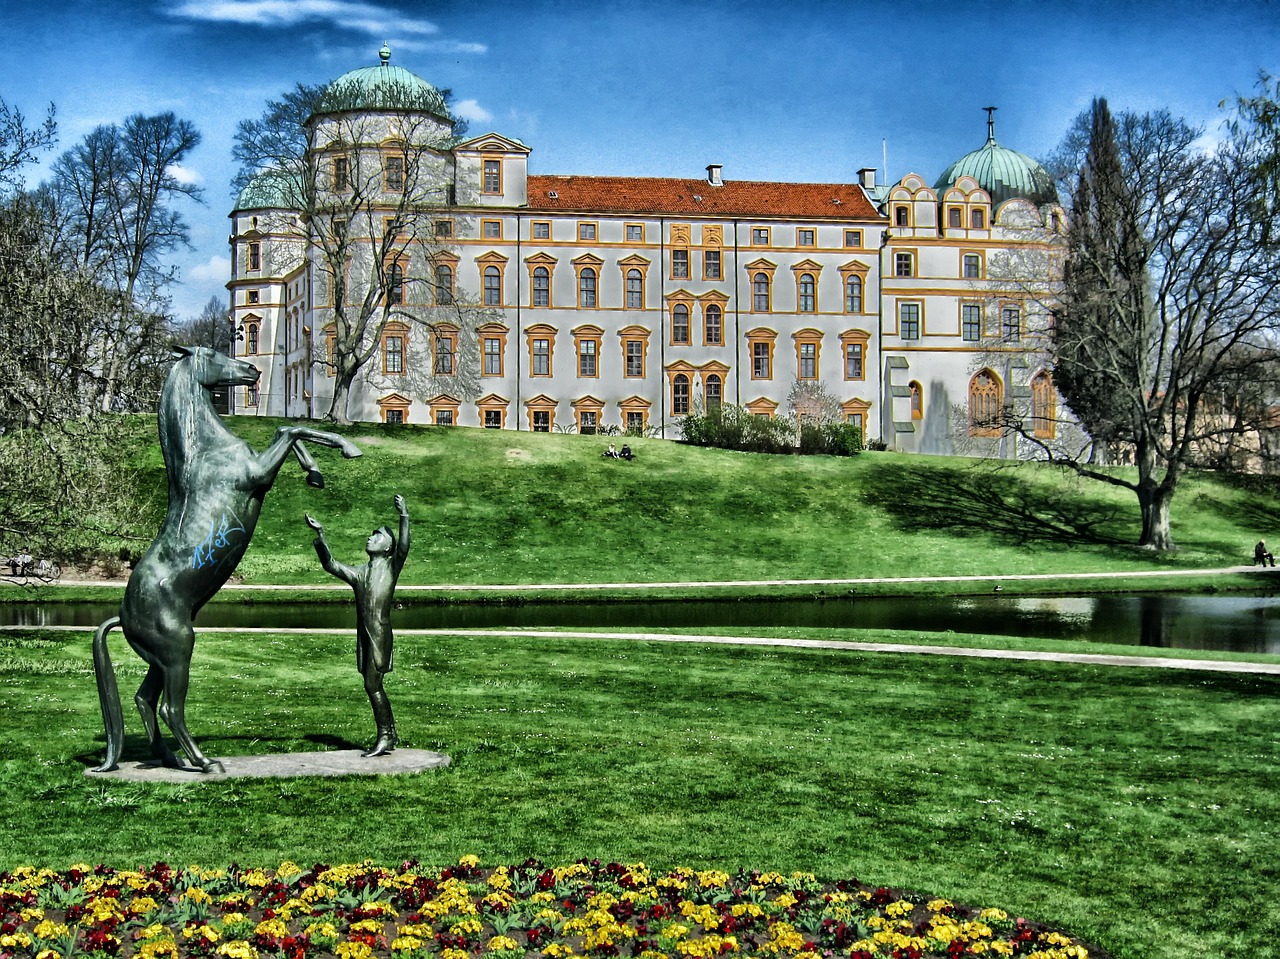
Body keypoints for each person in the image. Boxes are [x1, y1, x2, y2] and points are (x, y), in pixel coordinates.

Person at [306, 495, 411, 757]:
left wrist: (404, 515)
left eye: (377, 536)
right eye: (371, 535)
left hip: (380, 635)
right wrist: (320, 536)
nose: (370, 538)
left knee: (373, 685)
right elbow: (330, 564)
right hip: (365, 637)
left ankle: (386, 735)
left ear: (387, 548)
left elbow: (405, 546)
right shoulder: (361, 574)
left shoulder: (391, 565)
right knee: (371, 685)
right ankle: (389, 734)